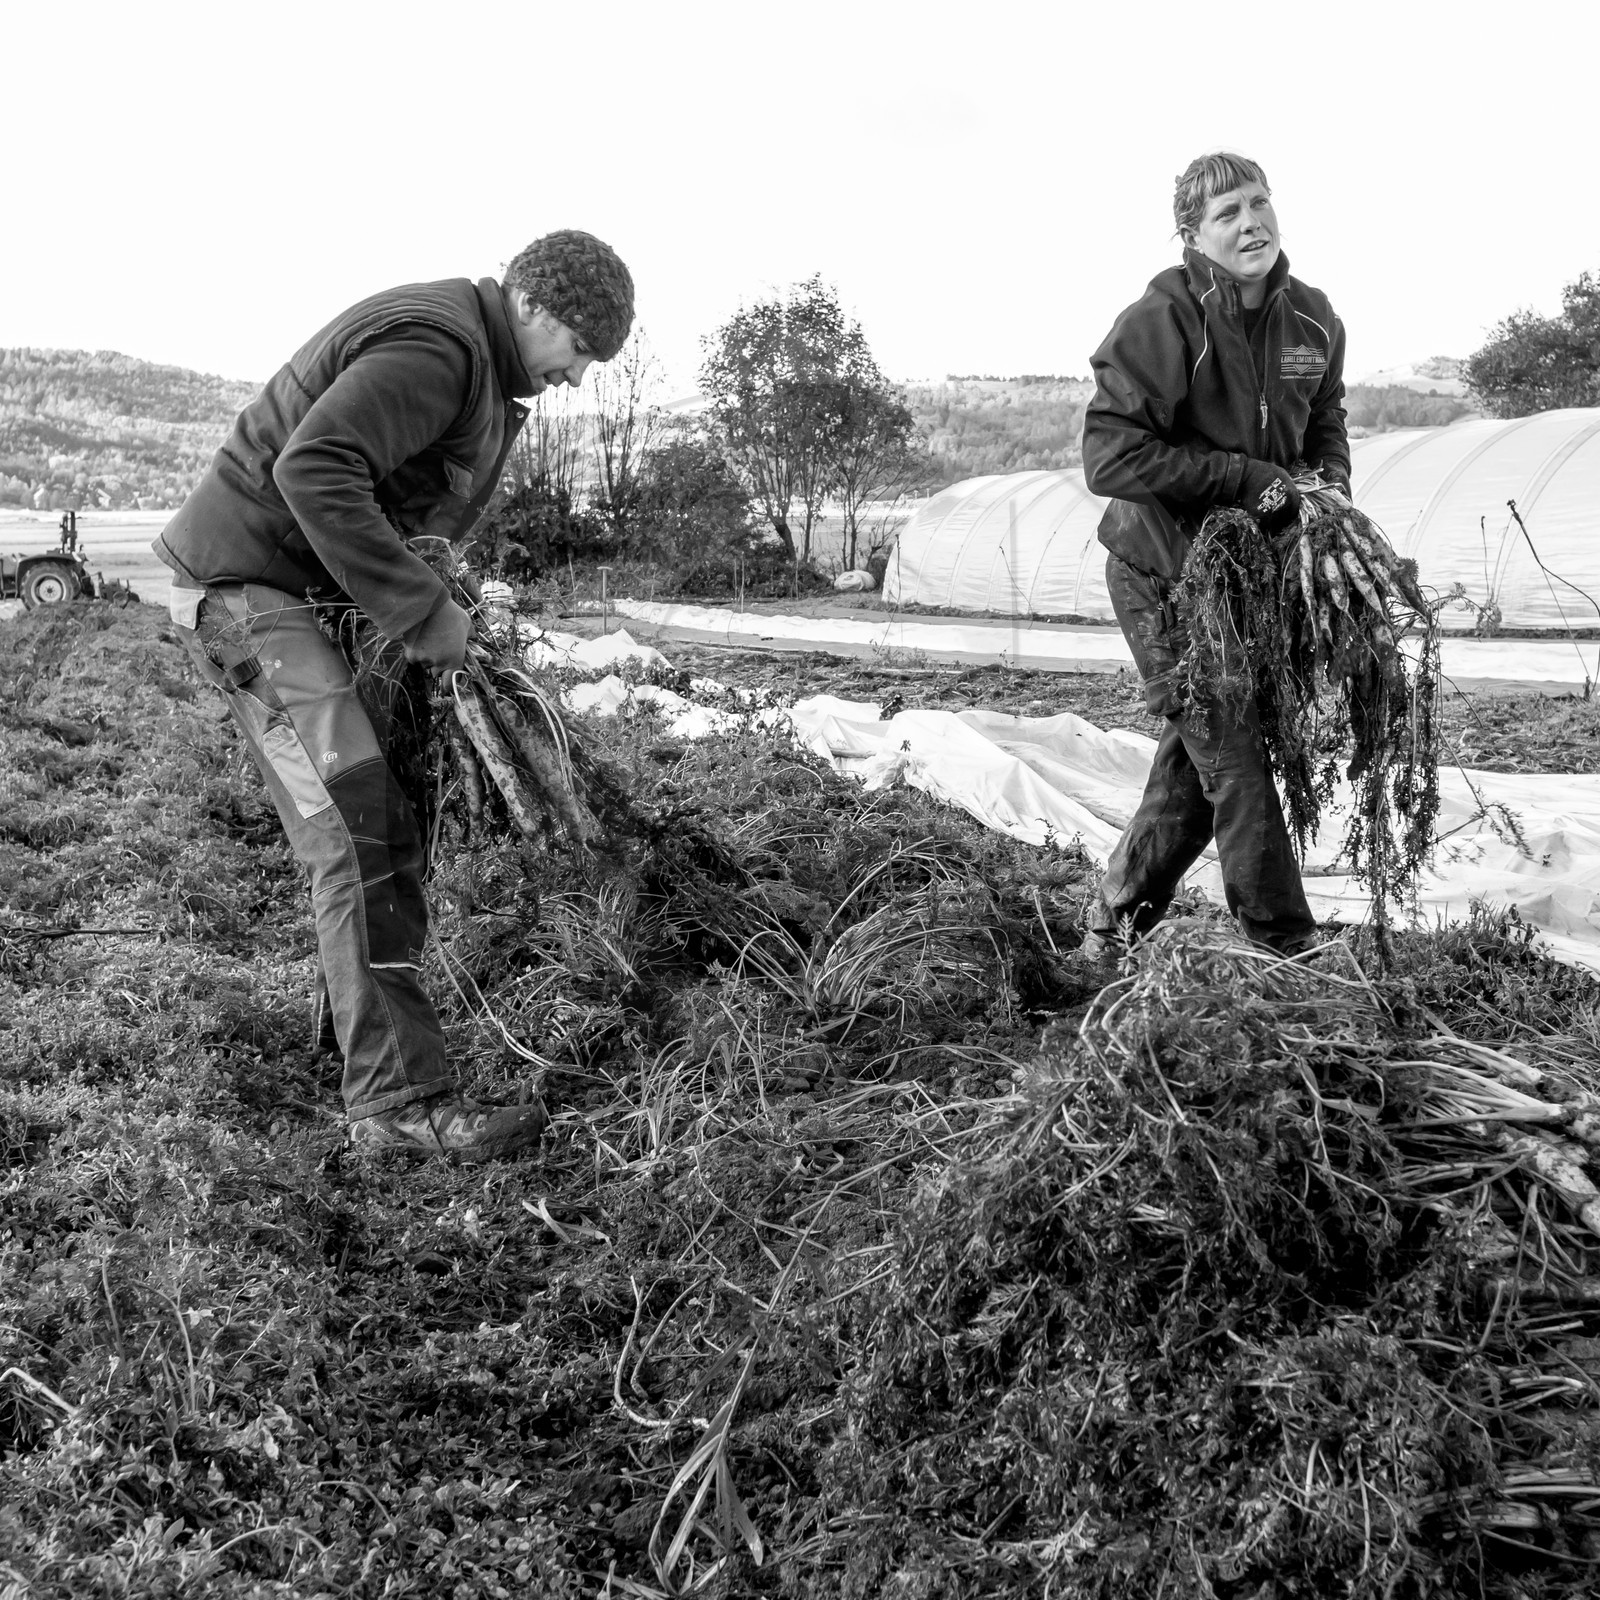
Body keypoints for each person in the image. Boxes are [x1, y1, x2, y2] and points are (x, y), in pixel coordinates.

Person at [154, 231, 635, 1158]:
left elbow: (394, 497)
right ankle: (397, 1106)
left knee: (379, 813)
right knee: (356, 826)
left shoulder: (480, 361)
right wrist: (426, 617)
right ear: (532, 306)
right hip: (244, 592)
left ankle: (351, 1047)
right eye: (578, 350)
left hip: (285, 591)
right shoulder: (440, 347)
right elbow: (314, 469)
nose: (577, 376)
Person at [1079, 152, 1349, 961]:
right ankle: (1285, 948)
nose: (1250, 222)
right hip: (1162, 575)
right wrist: (1242, 478)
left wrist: (1327, 487)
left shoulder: (1313, 320)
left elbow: (1324, 417)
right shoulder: (1167, 318)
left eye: (1259, 203)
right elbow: (1109, 457)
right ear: (1192, 233)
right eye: (1227, 213)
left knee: (1196, 775)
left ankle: (1110, 928)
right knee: (1231, 752)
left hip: (1245, 585)